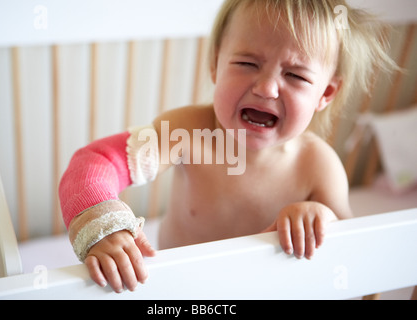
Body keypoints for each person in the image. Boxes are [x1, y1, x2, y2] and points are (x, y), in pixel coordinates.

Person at [59, 0, 397, 293]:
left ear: (325, 94)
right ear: (215, 64)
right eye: (247, 63)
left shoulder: (318, 164)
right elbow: (97, 161)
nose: (266, 88)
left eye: (295, 76)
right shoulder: (187, 131)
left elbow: (353, 251)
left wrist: (323, 219)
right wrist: (103, 226)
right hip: (179, 291)